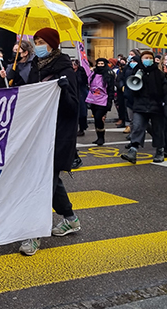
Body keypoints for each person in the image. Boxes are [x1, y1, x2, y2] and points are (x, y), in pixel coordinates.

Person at [19, 27, 80, 256]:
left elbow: (73, 107)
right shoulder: (35, 67)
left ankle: (33, 234)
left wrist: (64, 91)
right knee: (51, 181)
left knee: (42, 184)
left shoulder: (65, 70)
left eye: (42, 41)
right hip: (38, 133)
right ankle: (71, 219)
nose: (38, 45)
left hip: (58, 135)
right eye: (35, 41)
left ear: (53, 44)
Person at [120, 49, 166, 164]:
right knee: (137, 126)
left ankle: (160, 150)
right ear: (141, 59)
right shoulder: (137, 71)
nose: (148, 60)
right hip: (140, 105)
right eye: (145, 58)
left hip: (156, 106)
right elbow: (131, 89)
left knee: (157, 129)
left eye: (150, 58)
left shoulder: (159, 73)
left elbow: (165, 89)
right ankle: (133, 150)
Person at [86, 57, 115, 146]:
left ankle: (101, 137)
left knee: (99, 117)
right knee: (96, 118)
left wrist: (109, 102)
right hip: (94, 99)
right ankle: (99, 137)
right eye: (99, 64)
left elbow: (110, 89)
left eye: (102, 64)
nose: (100, 66)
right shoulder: (93, 74)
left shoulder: (109, 75)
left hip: (103, 100)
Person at [122, 50, 141, 134]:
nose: (132, 62)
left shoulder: (141, 70)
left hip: (138, 97)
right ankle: (132, 132)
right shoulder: (127, 68)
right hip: (128, 94)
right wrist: (122, 86)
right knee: (130, 116)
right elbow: (121, 78)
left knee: (137, 117)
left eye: (134, 60)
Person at [72, 59, 89, 136]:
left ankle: (82, 128)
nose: (73, 66)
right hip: (73, 92)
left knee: (82, 112)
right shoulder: (70, 72)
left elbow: (83, 81)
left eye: (74, 64)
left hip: (81, 93)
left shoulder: (81, 72)